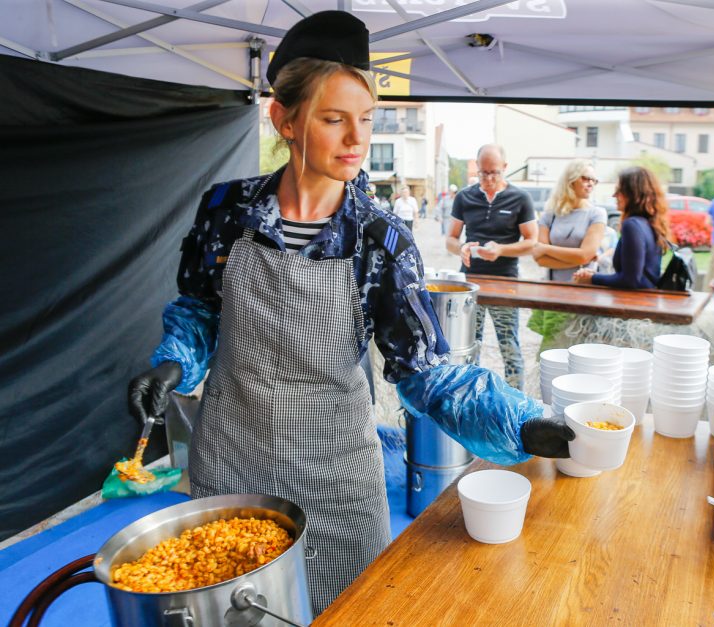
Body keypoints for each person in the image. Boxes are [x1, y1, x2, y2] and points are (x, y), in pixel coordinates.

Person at [125, 12, 572, 615]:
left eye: (364, 121)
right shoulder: (227, 211)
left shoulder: (379, 238)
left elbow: (426, 371)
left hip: (336, 474)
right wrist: (174, 364)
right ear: (284, 119)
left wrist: (521, 422)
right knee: (239, 612)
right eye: (333, 120)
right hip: (233, 460)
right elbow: (202, 309)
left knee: (345, 610)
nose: (355, 139)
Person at [446, 144, 537, 391]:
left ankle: (516, 399)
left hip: (505, 282)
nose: (487, 179)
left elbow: (531, 243)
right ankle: (471, 396)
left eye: (494, 173)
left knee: (509, 344)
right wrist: (462, 247)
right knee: (469, 344)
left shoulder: (520, 198)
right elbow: (450, 240)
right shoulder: (464, 196)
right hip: (470, 283)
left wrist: (501, 250)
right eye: (483, 172)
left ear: (505, 168)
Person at [573, 166, 669, 289]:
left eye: (619, 191)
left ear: (633, 193)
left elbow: (630, 281)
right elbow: (637, 276)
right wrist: (596, 276)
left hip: (634, 304)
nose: (614, 195)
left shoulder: (632, 225)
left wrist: (591, 279)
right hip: (647, 302)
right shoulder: (649, 223)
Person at [532, 159, 607, 282]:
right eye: (586, 178)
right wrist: (581, 260)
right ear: (571, 180)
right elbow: (540, 260)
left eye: (594, 180)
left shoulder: (597, 214)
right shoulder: (550, 215)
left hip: (585, 287)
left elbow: (584, 255)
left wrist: (546, 249)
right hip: (553, 287)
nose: (591, 183)